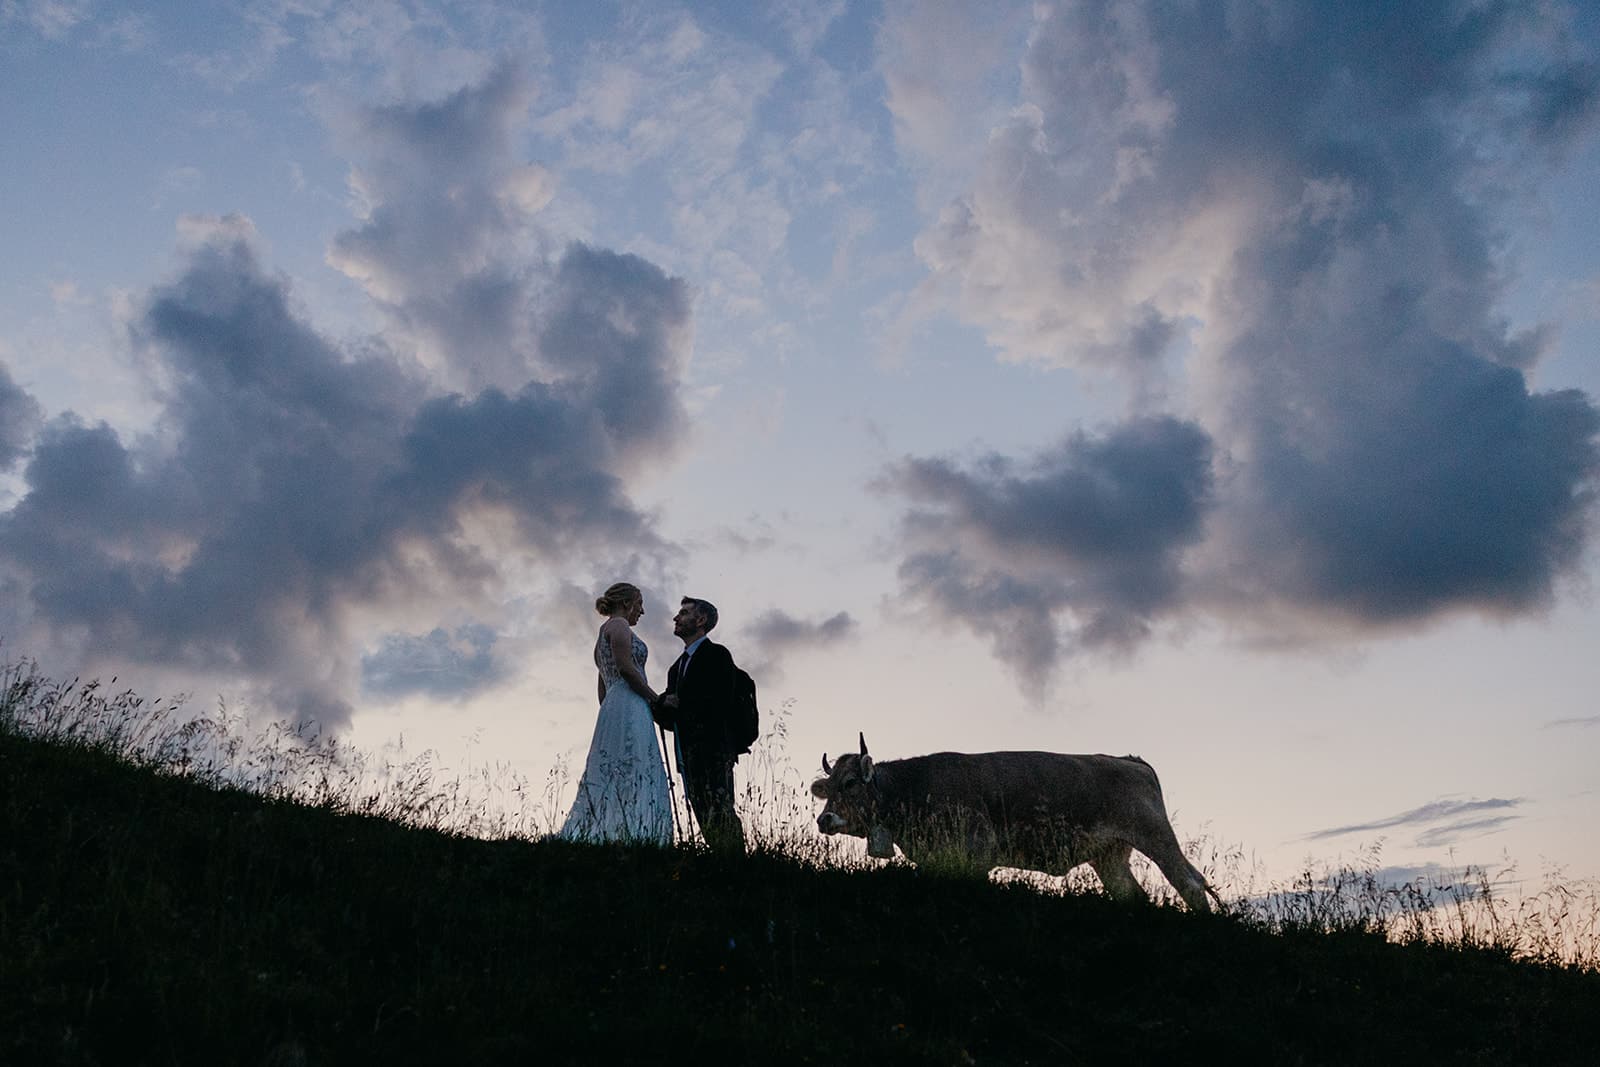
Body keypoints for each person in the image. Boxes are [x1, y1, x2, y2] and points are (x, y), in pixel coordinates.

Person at [559, 582, 673, 844]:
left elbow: (602, 686)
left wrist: (611, 712)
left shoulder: (601, 635)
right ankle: (637, 832)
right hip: (629, 702)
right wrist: (655, 700)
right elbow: (625, 667)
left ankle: (617, 830)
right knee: (635, 762)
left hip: (614, 703)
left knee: (613, 764)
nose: (641, 612)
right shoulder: (619, 626)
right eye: (640, 604)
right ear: (626, 603)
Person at [652, 597, 746, 852]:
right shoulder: (675, 668)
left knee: (721, 808)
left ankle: (738, 864)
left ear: (701, 620)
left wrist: (679, 703)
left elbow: (721, 700)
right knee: (702, 811)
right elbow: (671, 720)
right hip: (687, 753)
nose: (676, 618)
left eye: (684, 613)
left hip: (715, 750)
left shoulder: (717, 655)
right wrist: (660, 705)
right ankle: (720, 861)